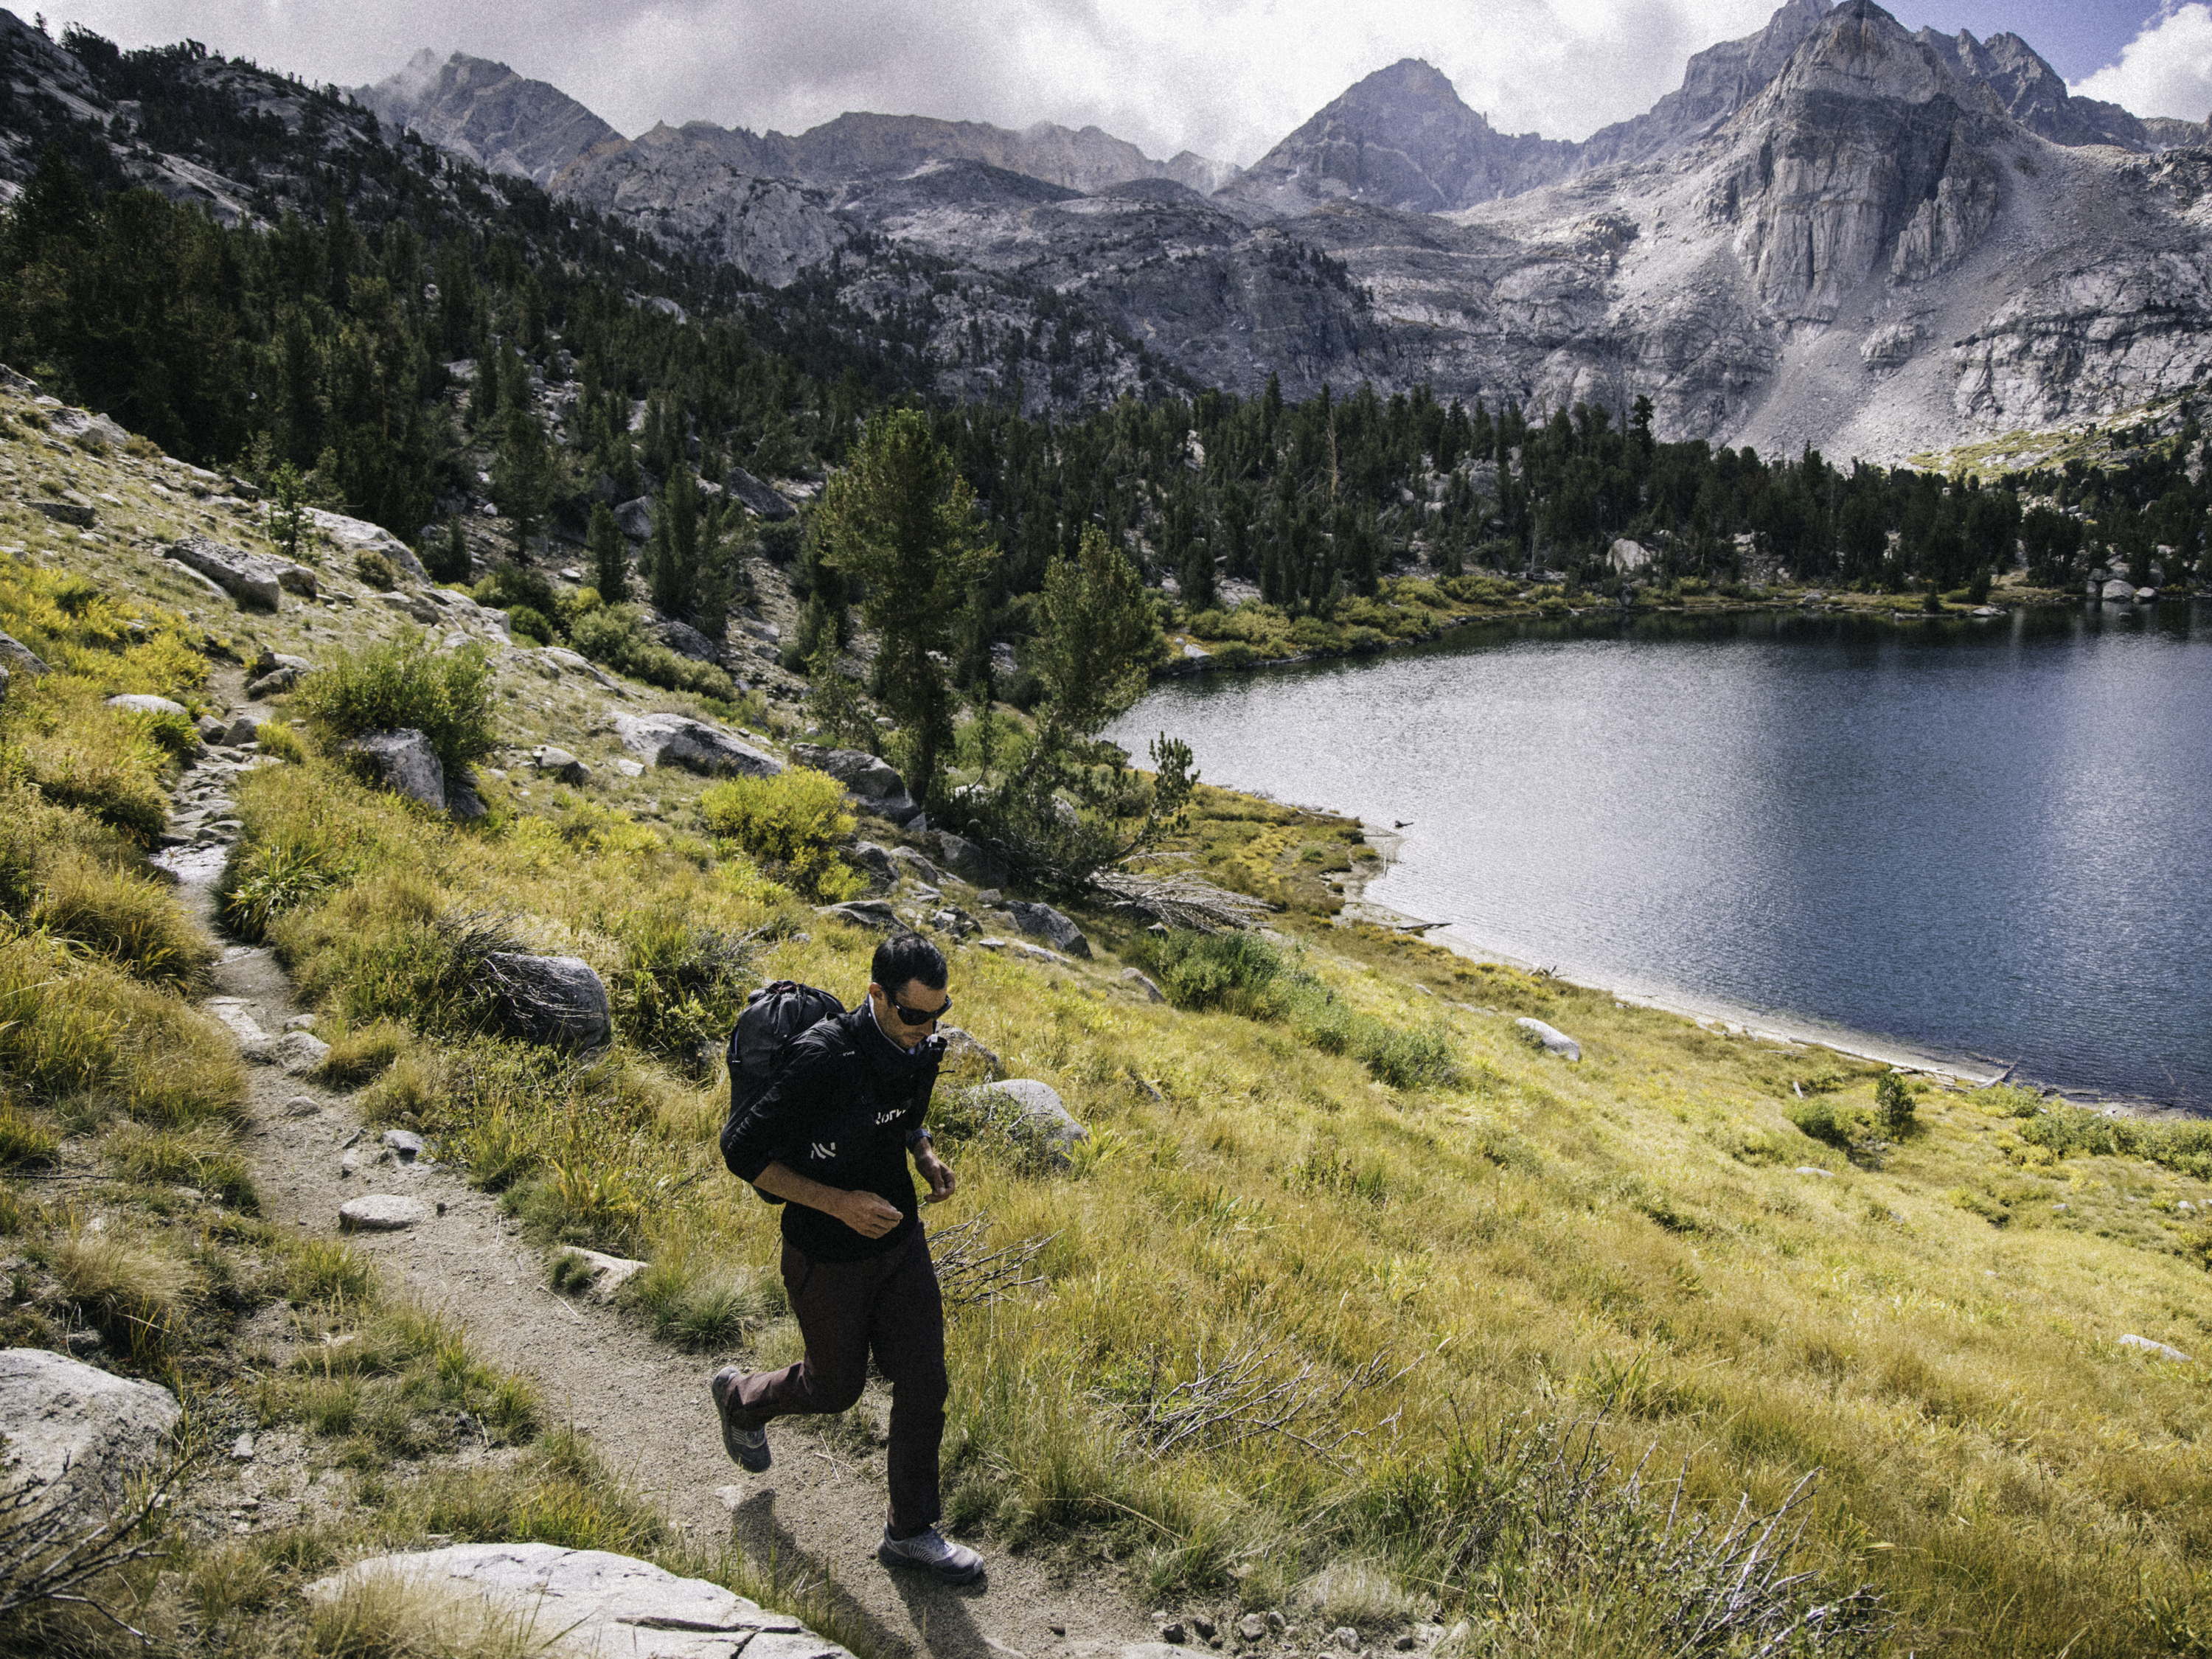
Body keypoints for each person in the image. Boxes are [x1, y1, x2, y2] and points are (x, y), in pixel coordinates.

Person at [709, 932, 982, 1585]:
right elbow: (742, 1153)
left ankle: (910, 1533)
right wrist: (838, 1204)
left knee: (925, 1382)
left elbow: (906, 1115)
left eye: (938, 1015)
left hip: (899, 1242)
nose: (926, 1029)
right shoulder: (822, 1058)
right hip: (826, 1254)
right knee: (835, 1389)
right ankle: (742, 1399)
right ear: (877, 995)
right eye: (913, 1014)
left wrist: (925, 1156)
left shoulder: (920, 1048)